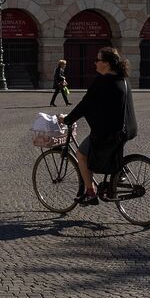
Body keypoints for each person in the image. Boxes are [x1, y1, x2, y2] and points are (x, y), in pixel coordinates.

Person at [58, 47, 135, 205]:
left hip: (110, 132)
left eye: (98, 60)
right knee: (109, 150)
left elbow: (85, 104)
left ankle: (90, 192)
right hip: (127, 129)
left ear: (106, 64)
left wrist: (67, 120)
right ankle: (119, 170)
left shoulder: (102, 81)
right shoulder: (123, 79)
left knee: (81, 154)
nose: (95, 63)